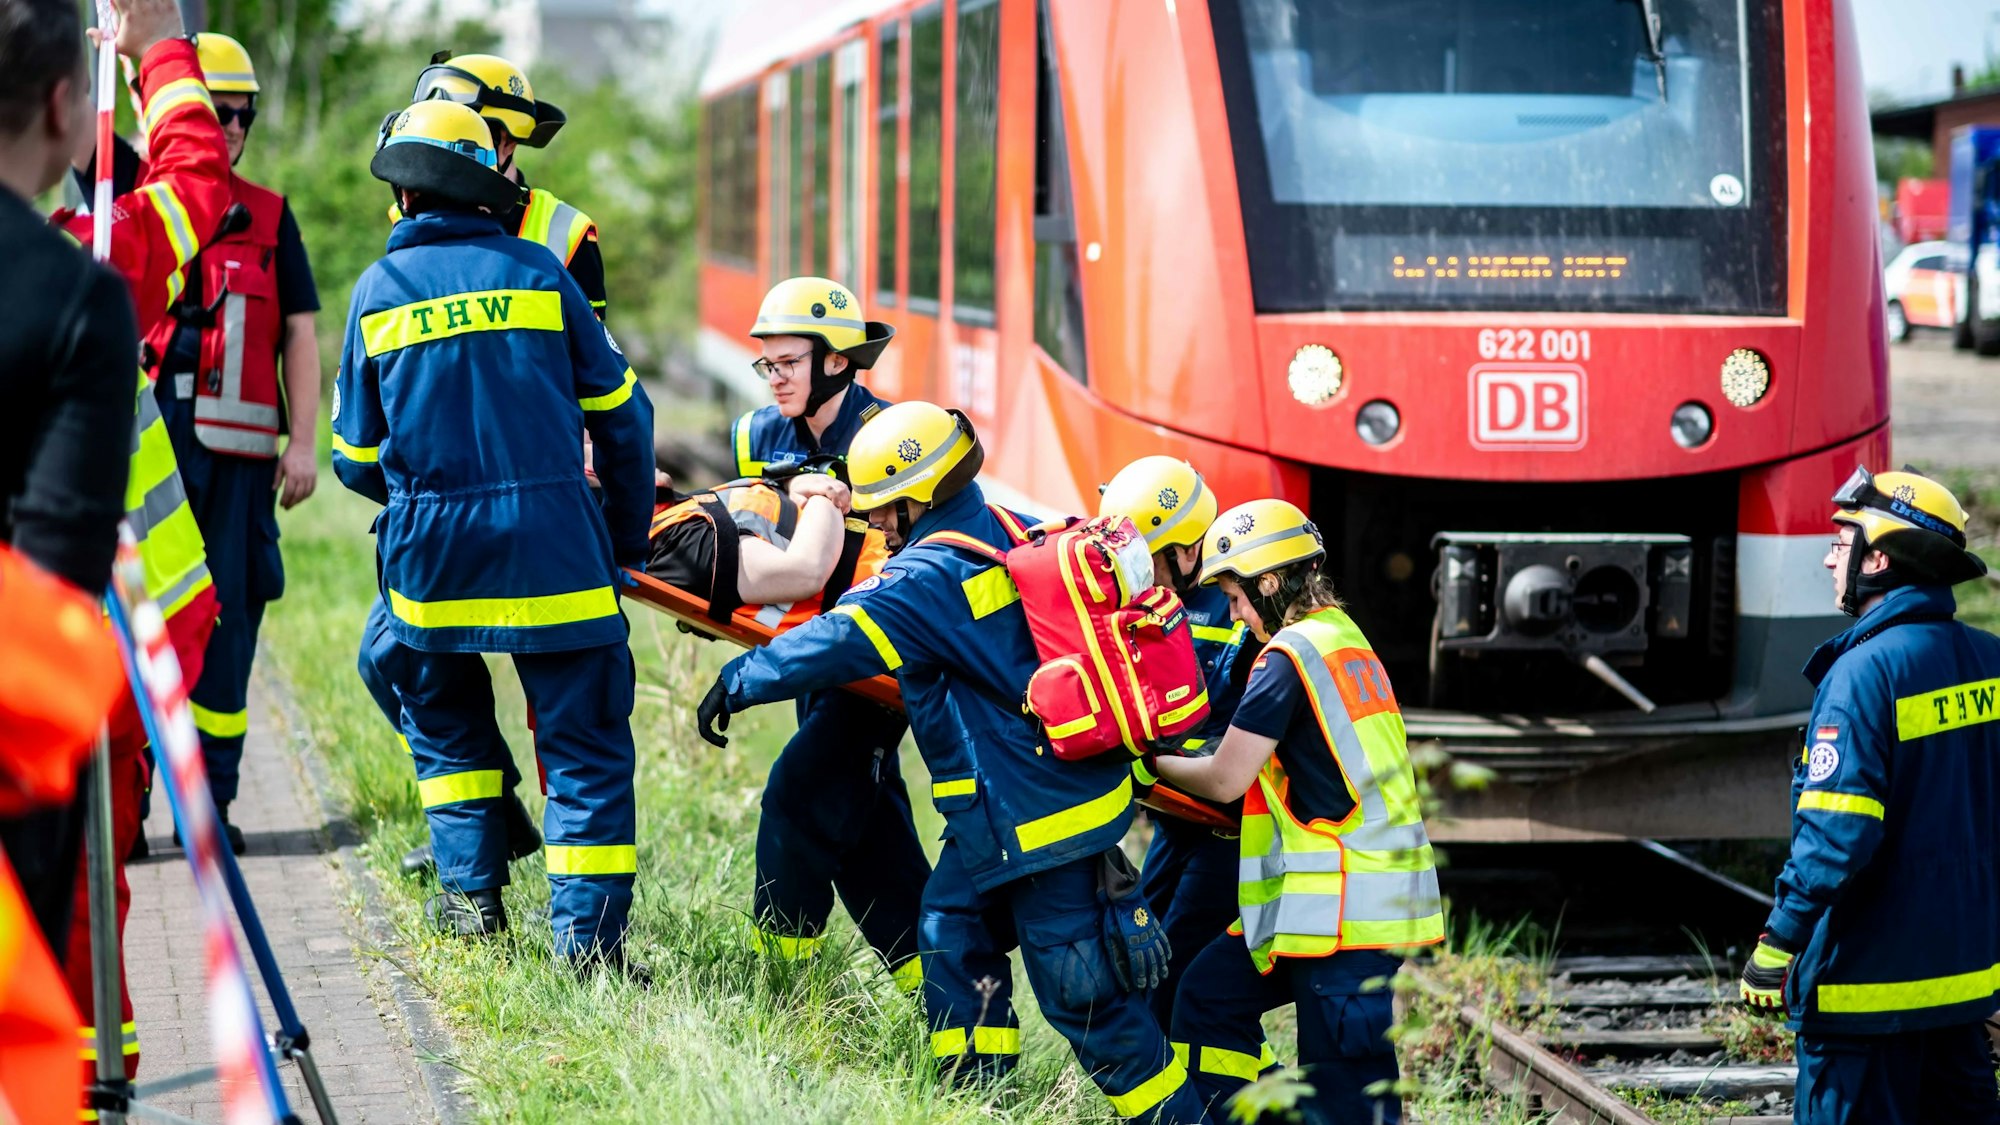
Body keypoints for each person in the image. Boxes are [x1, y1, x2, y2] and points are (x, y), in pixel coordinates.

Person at [695, 402, 1202, 1123]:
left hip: (1036, 818)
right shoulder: (994, 527)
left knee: (1088, 1006)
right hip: (1015, 808)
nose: (881, 524)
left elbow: (835, 640)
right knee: (951, 932)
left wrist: (738, 681)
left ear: (919, 495)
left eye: (887, 509)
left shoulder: (925, 576)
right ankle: (976, 1097)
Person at [331, 100, 655, 972]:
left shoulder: (376, 292)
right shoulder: (542, 274)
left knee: (446, 727)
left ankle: (472, 900)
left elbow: (355, 457)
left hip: (433, 565)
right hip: (558, 552)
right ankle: (586, 951)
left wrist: (419, 494)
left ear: (403, 195)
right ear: (489, 188)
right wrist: (624, 544)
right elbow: (625, 418)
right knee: (584, 748)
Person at [382, 49, 605, 882]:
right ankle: (484, 827)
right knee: (392, 659)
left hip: (545, 503)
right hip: (451, 510)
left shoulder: (562, 237)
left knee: (567, 711)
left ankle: (533, 876)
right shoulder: (427, 214)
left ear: (503, 143)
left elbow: (596, 388)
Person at [1155, 498, 1444, 1124]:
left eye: (1235, 599)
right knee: (1206, 1000)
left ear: (1268, 583)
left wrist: (1148, 763)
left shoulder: (1287, 657)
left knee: (1350, 1097)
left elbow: (1227, 777)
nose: (1235, 616)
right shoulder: (1344, 635)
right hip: (1328, 904)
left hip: (1346, 911)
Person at [1736, 467, 2000, 1125]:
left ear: (1878, 557)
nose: (1830, 556)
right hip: (1963, 993)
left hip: (1863, 999)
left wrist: (1776, 945)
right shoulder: (1991, 660)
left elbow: (1837, 835)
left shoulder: (1862, 675)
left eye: (1842, 540)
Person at [139, 32, 321, 853]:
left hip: (240, 465)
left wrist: (304, 444)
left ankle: (207, 805)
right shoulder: (136, 205)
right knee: (140, 623)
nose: (233, 128)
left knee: (230, 625)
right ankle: (128, 803)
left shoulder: (273, 216)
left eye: (242, 115)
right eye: (218, 114)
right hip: (147, 447)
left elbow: (300, 335)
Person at [727, 276, 929, 990]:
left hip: (876, 669)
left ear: (837, 362)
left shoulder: (894, 440)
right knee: (869, 833)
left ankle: (780, 994)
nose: (773, 379)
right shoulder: (760, 438)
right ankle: (944, 994)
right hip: (809, 662)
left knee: (799, 796)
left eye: (787, 364)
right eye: (767, 365)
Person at [1097, 457, 1257, 1040]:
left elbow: (1240, 735)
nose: (1138, 574)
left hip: (1227, 830)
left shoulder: (1239, 606)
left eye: (1151, 560)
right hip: (1176, 818)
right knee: (1145, 963)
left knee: (1177, 974)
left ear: (1188, 551)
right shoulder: (1138, 594)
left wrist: (1150, 756)